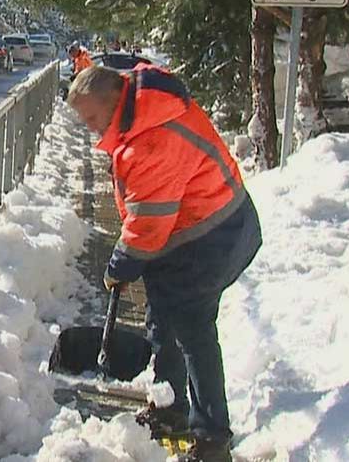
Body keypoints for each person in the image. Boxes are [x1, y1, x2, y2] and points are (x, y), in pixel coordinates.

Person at [66, 64, 262, 462]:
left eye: (90, 118)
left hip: (214, 236)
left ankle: (211, 440)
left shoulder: (151, 140)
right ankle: (171, 406)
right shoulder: (139, 108)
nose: (89, 128)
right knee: (164, 317)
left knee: (192, 328)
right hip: (191, 231)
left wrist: (119, 265)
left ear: (112, 102)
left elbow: (149, 224)